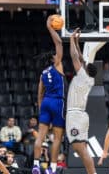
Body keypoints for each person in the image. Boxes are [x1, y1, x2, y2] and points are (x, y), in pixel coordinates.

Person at [32, 15, 65, 174]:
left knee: (41, 136)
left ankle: (36, 165)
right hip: (58, 102)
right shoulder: (57, 65)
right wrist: (50, 27)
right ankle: (51, 168)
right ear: (53, 58)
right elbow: (58, 42)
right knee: (57, 138)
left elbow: (39, 94)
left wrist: (41, 109)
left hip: (45, 103)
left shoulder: (42, 74)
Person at [66, 28, 98, 174]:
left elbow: (74, 57)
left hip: (76, 116)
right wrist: (77, 42)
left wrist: (71, 39)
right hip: (81, 115)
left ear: (85, 69)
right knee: (81, 149)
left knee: (80, 149)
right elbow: (80, 58)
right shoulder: (88, 78)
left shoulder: (82, 77)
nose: (82, 63)